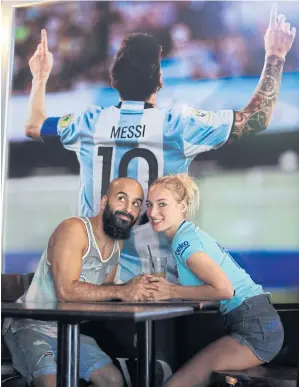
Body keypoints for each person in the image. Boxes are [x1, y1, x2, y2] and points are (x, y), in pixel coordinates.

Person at [24, 5, 295, 284]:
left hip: (92, 280)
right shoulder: (177, 124)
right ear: (160, 80)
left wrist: (40, 76)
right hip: (157, 283)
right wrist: (275, 56)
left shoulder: (88, 123)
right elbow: (256, 119)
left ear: (114, 78)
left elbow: (33, 125)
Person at [3, 177, 159, 387]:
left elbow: (103, 292)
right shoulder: (74, 229)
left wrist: (137, 290)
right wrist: (123, 291)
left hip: (71, 330)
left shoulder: (117, 244)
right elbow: (66, 291)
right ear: (104, 202)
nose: (129, 208)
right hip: (31, 326)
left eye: (136, 203)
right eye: (122, 198)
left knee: (113, 381)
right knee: (52, 383)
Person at [145, 173, 284, 387]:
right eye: (149, 204)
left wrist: (171, 291)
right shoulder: (188, 235)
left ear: (182, 206)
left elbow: (224, 290)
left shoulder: (184, 243)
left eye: (162, 204)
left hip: (256, 329)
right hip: (255, 322)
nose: (153, 212)